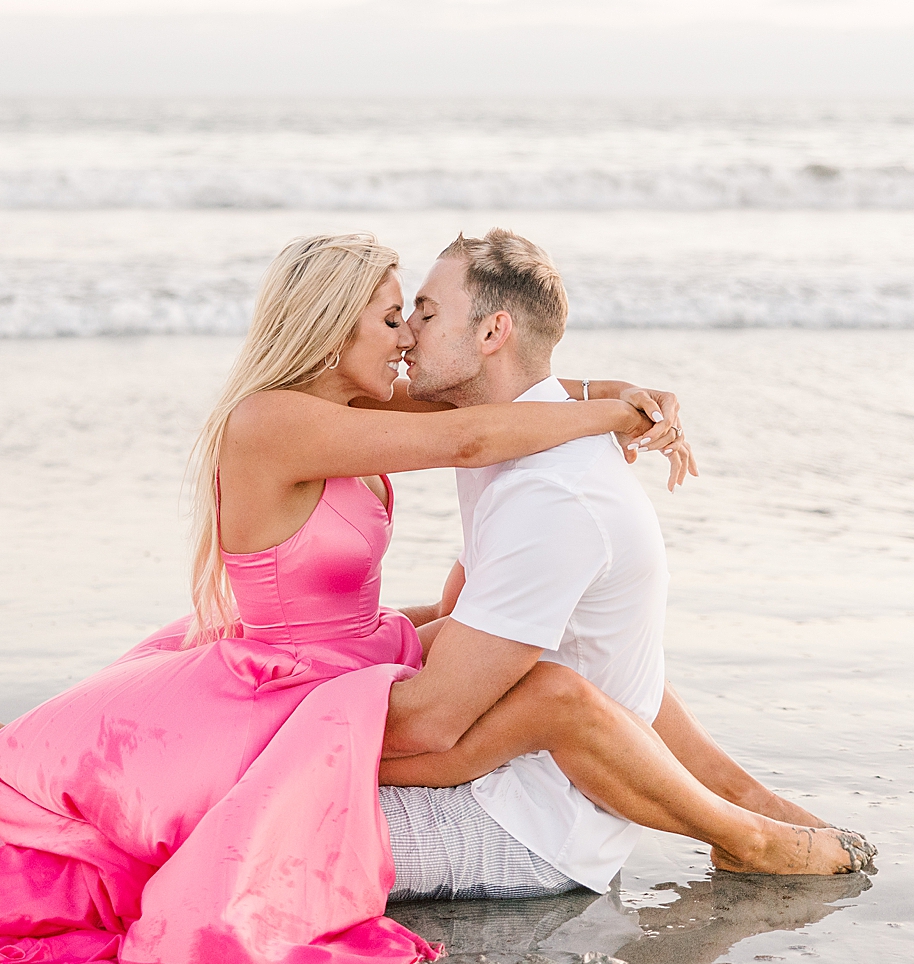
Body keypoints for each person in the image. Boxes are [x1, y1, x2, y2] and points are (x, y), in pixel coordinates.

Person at [0, 233, 870, 964]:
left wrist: (612, 390)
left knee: (423, 628)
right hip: (278, 681)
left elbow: (492, 407)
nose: (408, 334)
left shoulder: (369, 410)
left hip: (329, 654)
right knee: (129, 857)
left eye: (412, 310)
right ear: (335, 328)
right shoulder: (283, 419)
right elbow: (480, 422)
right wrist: (612, 417)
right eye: (390, 314)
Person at [366, 229, 873, 899]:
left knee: (223, 818)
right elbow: (602, 662)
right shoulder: (516, 452)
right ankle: (752, 817)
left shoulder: (550, 495)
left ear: (493, 332)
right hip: (515, 778)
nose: (407, 336)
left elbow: (429, 725)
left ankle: (753, 835)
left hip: (520, 825)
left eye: (426, 314)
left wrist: (286, 723)